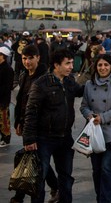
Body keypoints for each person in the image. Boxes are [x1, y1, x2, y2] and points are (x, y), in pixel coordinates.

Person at [23, 49, 84, 203]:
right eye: (67, 63)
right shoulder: (42, 83)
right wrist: (29, 139)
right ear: (56, 65)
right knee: (39, 178)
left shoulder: (70, 82)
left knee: (66, 177)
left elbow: (81, 91)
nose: (71, 67)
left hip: (65, 137)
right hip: (44, 138)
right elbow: (31, 112)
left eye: (71, 63)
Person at [11, 44, 59, 203]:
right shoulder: (24, 76)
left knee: (37, 158)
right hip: (27, 123)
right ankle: (55, 186)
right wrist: (18, 120)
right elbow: (20, 101)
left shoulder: (44, 77)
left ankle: (20, 196)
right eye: (24, 58)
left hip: (41, 125)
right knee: (38, 159)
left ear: (38, 57)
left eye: (30, 58)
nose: (27, 62)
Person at [80, 54, 111, 203]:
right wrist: (89, 115)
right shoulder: (89, 84)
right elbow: (84, 106)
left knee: (107, 169)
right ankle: (99, 197)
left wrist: (103, 117)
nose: (103, 68)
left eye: (106, 65)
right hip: (95, 132)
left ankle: (104, 200)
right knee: (96, 170)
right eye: (100, 65)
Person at [0, 46, 14, 147]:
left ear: (3, 56)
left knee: (4, 120)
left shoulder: (8, 69)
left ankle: (6, 138)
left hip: (3, 99)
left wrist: (5, 100)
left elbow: (7, 87)